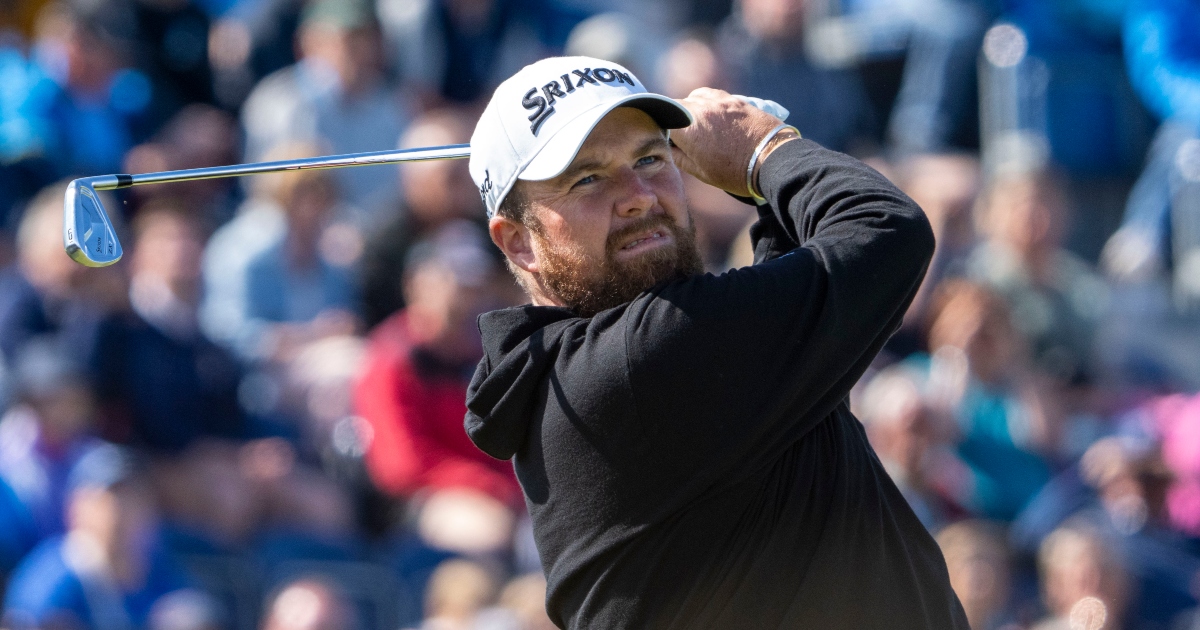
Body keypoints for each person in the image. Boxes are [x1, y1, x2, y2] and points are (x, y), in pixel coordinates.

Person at [462, 56, 967, 628]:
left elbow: (800, 275)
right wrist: (763, 150)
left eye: (650, 159)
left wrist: (763, 187)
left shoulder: (645, 359)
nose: (638, 195)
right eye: (588, 178)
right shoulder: (641, 361)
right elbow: (884, 230)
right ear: (518, 243)